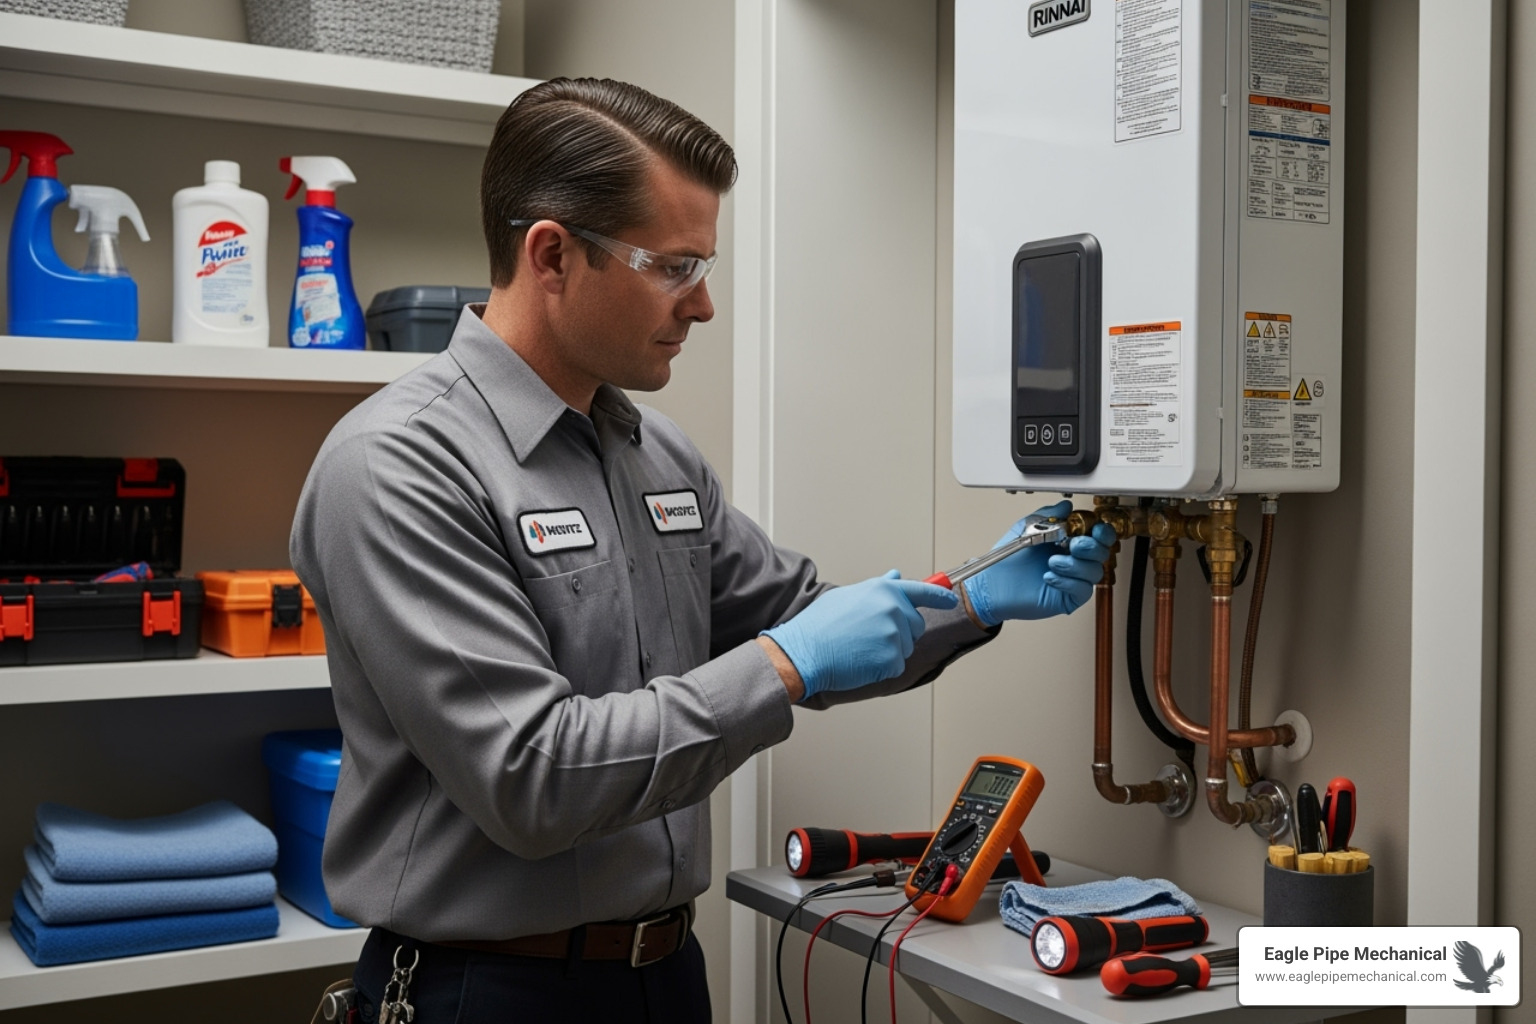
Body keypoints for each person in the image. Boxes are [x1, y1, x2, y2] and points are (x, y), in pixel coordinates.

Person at [289, 77, 1115, 1024]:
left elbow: (804, 620)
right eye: (674, 267)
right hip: (486, 989)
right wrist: (784, 666)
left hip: (666, 974)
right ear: (552, 255)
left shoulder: (655, 453)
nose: (705, 305)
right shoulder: (397, 467)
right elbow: (532, 774)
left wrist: (972, 600)